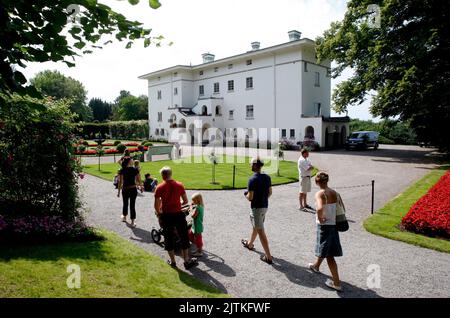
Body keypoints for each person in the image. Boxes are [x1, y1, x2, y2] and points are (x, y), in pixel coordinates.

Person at [154, 166, 198, 270]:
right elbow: (185, 201)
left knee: (168, 238)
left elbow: (156, 206)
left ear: (162, 176)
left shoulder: (159, 187)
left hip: (166, 215)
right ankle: (186, 260)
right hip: (178, 214)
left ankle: (173, 262)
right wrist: (177, 204)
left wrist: (160, 212)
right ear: (170, 174)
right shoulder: (179, 185)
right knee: (183, 236)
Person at [308, 172, 343, 292]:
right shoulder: (334, 192)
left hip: (324, 226)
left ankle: (337, 283)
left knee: (329, 254)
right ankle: (316, 266)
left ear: (317, 182)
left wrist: (320, 217)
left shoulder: (320, 193)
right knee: (326, 249)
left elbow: (319, 208)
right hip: (333, 224)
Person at [241, 157, 273, 264]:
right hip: (265, 206)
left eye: (251, 164)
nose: (250, 165)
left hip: (257, 208)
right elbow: (269, 193)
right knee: (256, 226)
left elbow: (250, 197)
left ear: (255, 165)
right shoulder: (267, 177)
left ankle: (268, 256)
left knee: (260, 231)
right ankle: (250, 244)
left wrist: (245, 194)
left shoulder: (252, 179)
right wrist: (262, 198)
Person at [117, 157, 143, 228]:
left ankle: (125, 217)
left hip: (125, 189)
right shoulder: (135, 170)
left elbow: (120, 182)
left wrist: (119, 191)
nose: (133, 160)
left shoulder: (123, 170)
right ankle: (132, 221)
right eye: (131, 160)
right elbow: (139, 179)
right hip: (132, 189)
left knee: (126, 204)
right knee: (132, 205)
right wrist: (141, 186)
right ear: (129, 162)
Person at [188, 193, 204, 257]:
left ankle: (200, 251)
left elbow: (193, 216)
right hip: (195, 225)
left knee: (198, 239)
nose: (193, 202)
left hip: (197, 225)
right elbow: (194, 205)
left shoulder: (197, 208)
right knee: (190, 234)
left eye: (194, 200)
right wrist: (192, 205)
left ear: (197, 200)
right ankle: (198, 246)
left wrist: (190, 210)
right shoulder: (201, 206)